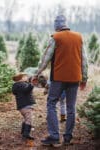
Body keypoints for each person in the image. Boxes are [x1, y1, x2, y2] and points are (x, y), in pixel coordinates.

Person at [35, 15, 88, 145]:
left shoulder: (56, 37)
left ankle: (54, 136)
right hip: (75, 78)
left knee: (51, 103)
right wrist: (84, 78)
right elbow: (84, 60)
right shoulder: (78, 37)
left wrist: (37, 73)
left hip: (58, 78)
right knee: (71, 108)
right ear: (66, 24)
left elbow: (46, 58)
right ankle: (68, 137)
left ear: (56, 26)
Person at [12, 73, 37, 140]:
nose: (27, 78)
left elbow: (25, 89)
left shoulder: (16, 85)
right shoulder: (21, 84)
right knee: (29, 119)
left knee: (26, 118)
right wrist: (32, 84)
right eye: (26, 76)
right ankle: (26, 134)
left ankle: (23, 132)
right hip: (26, 105)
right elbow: (27, 90)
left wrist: (30, 83)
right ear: (21, 78)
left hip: (21, 106)